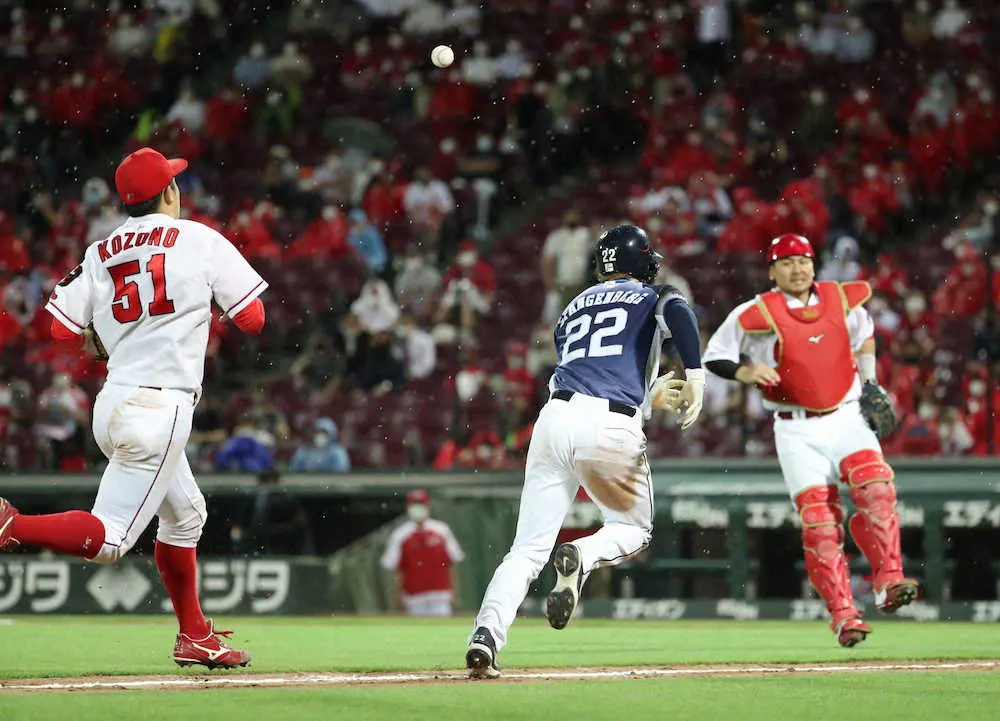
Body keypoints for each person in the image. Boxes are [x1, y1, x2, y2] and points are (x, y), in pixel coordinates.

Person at [0, 148, 267, 668]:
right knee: (112, 539)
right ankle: (12, 524)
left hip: (114, 403)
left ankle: (194, 636)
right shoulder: (200, 238)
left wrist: (114, 334)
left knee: (186, 516)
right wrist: (194, 308)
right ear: (169, 192)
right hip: (160, 409)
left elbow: (60, 330)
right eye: (174, 182)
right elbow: (252, 318)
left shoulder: (101, 250)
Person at [465, 225, 705, 679]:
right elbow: (679, 312)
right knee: (633, 529)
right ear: (642, 262)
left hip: (554, 418)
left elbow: (594, 364)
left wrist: (646, 395)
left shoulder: (572, 306)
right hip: (609, 423)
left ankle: (486, 635)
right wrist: (695, 373)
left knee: (526, 549)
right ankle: (584, 556)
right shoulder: (653, 294)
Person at [703, 233, 918, 648]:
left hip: (847, 414)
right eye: (787, 262)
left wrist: (870, 381)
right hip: (795, 428)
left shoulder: (841, 299)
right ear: (772, 271)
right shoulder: (755, 312)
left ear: (814, 264)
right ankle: (844, 615)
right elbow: (715, 355)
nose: (797, 268)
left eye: (803, 260)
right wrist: (745, 372)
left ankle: (890, 581)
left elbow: (864, 334)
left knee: (876, 489)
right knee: (820, 523)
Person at [380, 489, 464, 617]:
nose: (417, 508)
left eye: (421, 504)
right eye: (414, 505)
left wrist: (455, 593)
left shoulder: (442, 530)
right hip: (413, 597)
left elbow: (452, 563)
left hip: (440, 595)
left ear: (427, 506)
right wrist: (398, 596)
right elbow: (395, 568)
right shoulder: (400, 535)